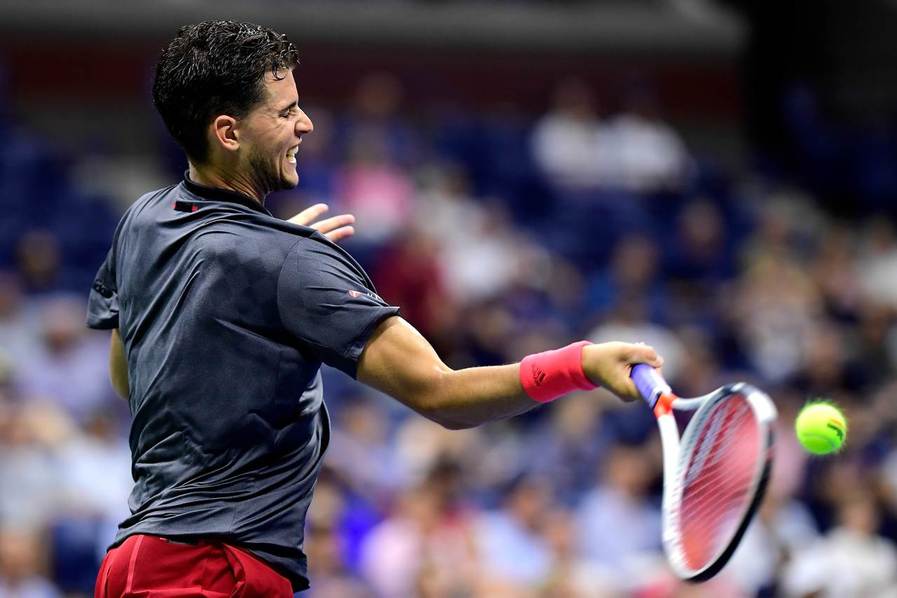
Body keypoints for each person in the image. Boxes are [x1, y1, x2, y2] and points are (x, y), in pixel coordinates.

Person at [87, 20, 664, 597]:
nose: (306, 123)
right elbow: (443, 395)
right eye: (285, 111)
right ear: (228, 132)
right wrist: (580, 364)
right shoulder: (289, 263)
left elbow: (128, 379)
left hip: (135, 564)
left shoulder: (143, 221)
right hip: (210, 573)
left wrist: (250, 273)